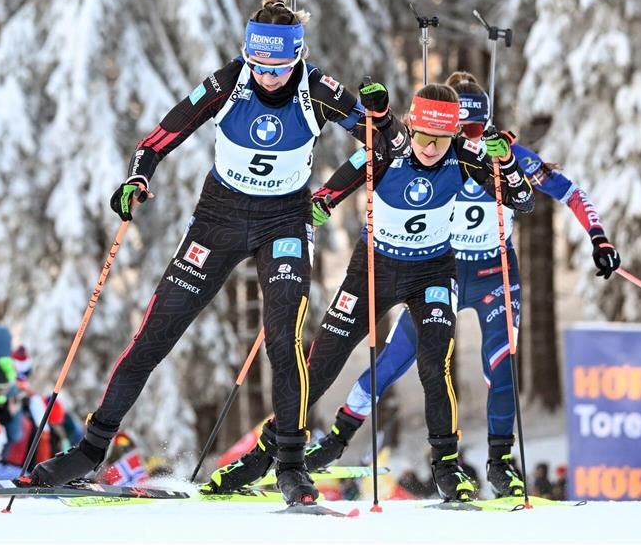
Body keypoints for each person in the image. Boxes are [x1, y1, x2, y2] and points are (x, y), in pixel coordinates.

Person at [30, 0, 410, 505]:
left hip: (284, 221)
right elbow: (161, 136)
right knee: (155, 333)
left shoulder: (319, 89)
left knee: (284, 339)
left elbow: (387, 149)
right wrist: (137, 179)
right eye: (259, 65)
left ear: (297, 57)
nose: (267, 77)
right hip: (219, 218)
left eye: (278, 68)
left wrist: (380, 120)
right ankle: (91, 449)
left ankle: (291, 465)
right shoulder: (230, 80)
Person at [203, 81, 534, 502]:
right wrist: (323, 201)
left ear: (453, 135)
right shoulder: (386, 151)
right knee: (321, 363)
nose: (431, 148)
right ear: (412, 129)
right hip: (374, 270)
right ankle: (263, 455)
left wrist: (505, 166)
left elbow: (522, 202)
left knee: (436, 362)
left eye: (441, 138)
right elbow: (339, 183)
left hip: (432, 271)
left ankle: (447, 467)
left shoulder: (466, 158)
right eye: (424, 137)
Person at [299, 70, 622, 498]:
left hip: (493, 272)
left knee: (500, 363)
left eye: (474, 130)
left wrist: (598, 238)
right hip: (443, 270)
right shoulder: (430, 152)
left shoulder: (501, 153)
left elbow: (569, 192)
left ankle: (501, 463)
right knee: (394, 360)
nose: (466, 140)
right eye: (459, 131)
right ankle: (338, 438)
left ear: (486, 123)